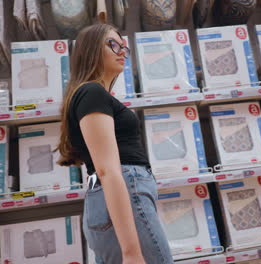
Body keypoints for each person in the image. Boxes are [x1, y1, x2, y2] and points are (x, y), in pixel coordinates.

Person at [56, 23, 174, 264]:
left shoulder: (91, 94)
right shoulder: (92, 93)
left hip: (109, 200)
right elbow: (108, 170)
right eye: (113, 44)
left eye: (124, 47)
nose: (122, 51)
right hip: (124, 190)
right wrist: (131, 252)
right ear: (90, 51)